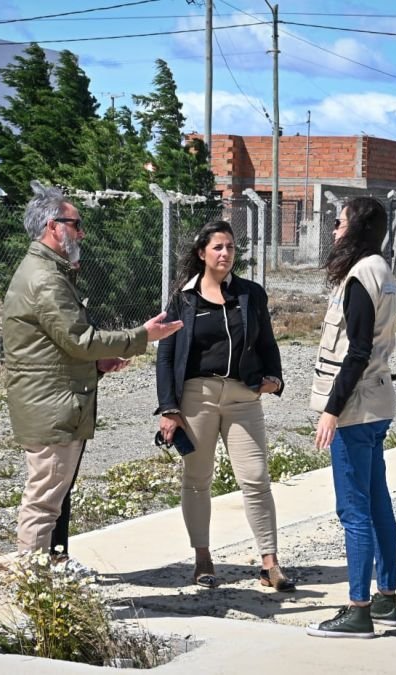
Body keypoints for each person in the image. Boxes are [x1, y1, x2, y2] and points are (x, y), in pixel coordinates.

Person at [3, 180, 182, 559]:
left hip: (51, 402)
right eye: (75, 223)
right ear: (53, 226)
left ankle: (44, 582)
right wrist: (143, 336)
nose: (81, 232)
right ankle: (32, 592)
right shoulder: (46, 278)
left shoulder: (46, 271)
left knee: (47, 499)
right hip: (52, 408)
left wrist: (97, 363)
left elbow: (60, 345)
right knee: (44, 504)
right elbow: (79, 339)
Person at [155, 220, 294, 592]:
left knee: (256, 479)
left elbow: (267, 342)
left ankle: (270, 563)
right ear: (202, 253)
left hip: (242, 397)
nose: (225, 254)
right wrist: (169, 408)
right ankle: (202, 558)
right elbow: (165, 356)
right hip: (195, 398)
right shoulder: (182, 298)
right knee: (198, 481)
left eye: (230, 247)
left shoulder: (250, 294)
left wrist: (275, 378)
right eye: (218, 247)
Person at [306, 197, 396, 638]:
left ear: (357, 227)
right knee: (378, 503)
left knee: (355, 510)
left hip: (357, 408)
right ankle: (386, 599)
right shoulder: (381, 268)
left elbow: (357, 351)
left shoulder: (361, 276)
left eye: (339, 223)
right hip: (377, 404)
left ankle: (358, 609)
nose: (334, 230)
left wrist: (332, 409)